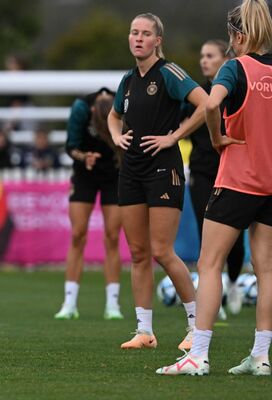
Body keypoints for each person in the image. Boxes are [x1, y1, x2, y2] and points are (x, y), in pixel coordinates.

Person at [157, 0, 272, 376]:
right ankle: (261, 356)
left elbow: (210, 105)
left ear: (237, 36)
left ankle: (198, 355)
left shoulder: (235, 68)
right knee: (266, 271)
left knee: (209, 265)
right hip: (271, 185)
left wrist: (218, 137)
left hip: (237, 182)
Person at [107, 13, 207, 351]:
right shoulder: (127, 79)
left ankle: (197, 327)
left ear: (157, 40)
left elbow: (206, 105)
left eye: (145, 33)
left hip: (164, 169)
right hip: (131, 171)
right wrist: (116, 136)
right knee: (138, 253)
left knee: (163, 251)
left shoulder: (170, 73)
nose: (138, 38)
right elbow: (113, 114)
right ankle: (144, 332)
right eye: (134, 32)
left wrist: (174, 136)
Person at [186, 39, 246, 317]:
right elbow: (180, 125)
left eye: (210, 55)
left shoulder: (237, 90)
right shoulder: (195, 95)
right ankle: (213, 295)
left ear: (225, 59)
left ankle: (233, 283)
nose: (204, 61)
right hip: (202, 172)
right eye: (202, 55)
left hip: (234, 173)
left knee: (234, 238)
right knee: (205, 233)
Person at [54, 88, 124, 321]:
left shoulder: (123, 103)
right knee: (77, 234)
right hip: (85, 174)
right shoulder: (80, 109)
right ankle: (69, 303)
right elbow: (70, 147)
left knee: (113, 237)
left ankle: (112, 304)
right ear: (93, 111)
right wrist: (84, 157)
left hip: (114, 175)